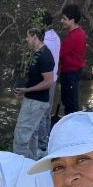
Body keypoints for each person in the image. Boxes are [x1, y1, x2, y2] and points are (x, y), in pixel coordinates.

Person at [12, 27, 55, 159]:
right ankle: (31, 163)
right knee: (32, 134)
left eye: (28, 36)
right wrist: (23, 91)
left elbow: (49, 82)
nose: (26, 39)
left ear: (34, 36)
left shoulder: (45, 56)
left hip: (36, 103)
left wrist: (28, 90)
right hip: (32, 100)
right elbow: (35, 78)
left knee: (21, 137)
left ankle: (19, 168)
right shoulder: (36, 54)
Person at [58, 4, 87, 116]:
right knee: (69, 101)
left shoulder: (75, 36)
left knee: (70, 104)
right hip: (72, 72)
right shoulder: (78, 33)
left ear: (72, 20)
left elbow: (60, 53)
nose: (62, 21)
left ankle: (72, 126)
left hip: (71, 73)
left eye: (64, 19)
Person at [39, 11, 61, 147]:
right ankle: (46, 139)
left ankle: (41, 143)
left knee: (41, 112)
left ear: (42, 24)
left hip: (45, 80)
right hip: (53, 78)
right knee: (47, 111)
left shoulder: (45, 42)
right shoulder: (56, 37)